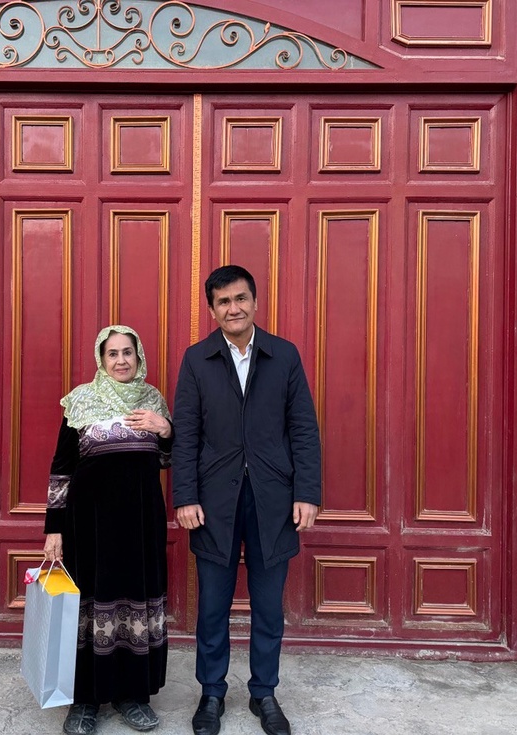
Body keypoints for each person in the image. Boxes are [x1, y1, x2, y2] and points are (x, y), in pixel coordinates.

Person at [172, 265, 321, 735]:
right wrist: (185, 496)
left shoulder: (284, 355)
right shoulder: (197, 360)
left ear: (255, 302)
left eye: (240, 299)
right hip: (213, 502)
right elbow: (186, 435)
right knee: (213, 606)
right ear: (212, 310)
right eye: (223, 301)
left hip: (273, 500)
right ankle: (212, 693)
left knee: (268, 605)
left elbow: (303, 429)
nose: (233, 308)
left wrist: (307, 493)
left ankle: (264, 693)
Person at [43, 325, 174, 735]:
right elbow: (62, 469)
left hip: (140, 526)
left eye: (127, 352)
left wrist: (166, 429)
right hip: (90, 528)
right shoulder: (81, 400)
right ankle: (85, 701)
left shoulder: (153, 401)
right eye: (112, 353)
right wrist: (54, 529)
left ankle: (132, 695)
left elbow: (169, 459)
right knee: (89, 607)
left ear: (139, 356)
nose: (121, 360)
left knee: (136, 603)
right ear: (101, 359)